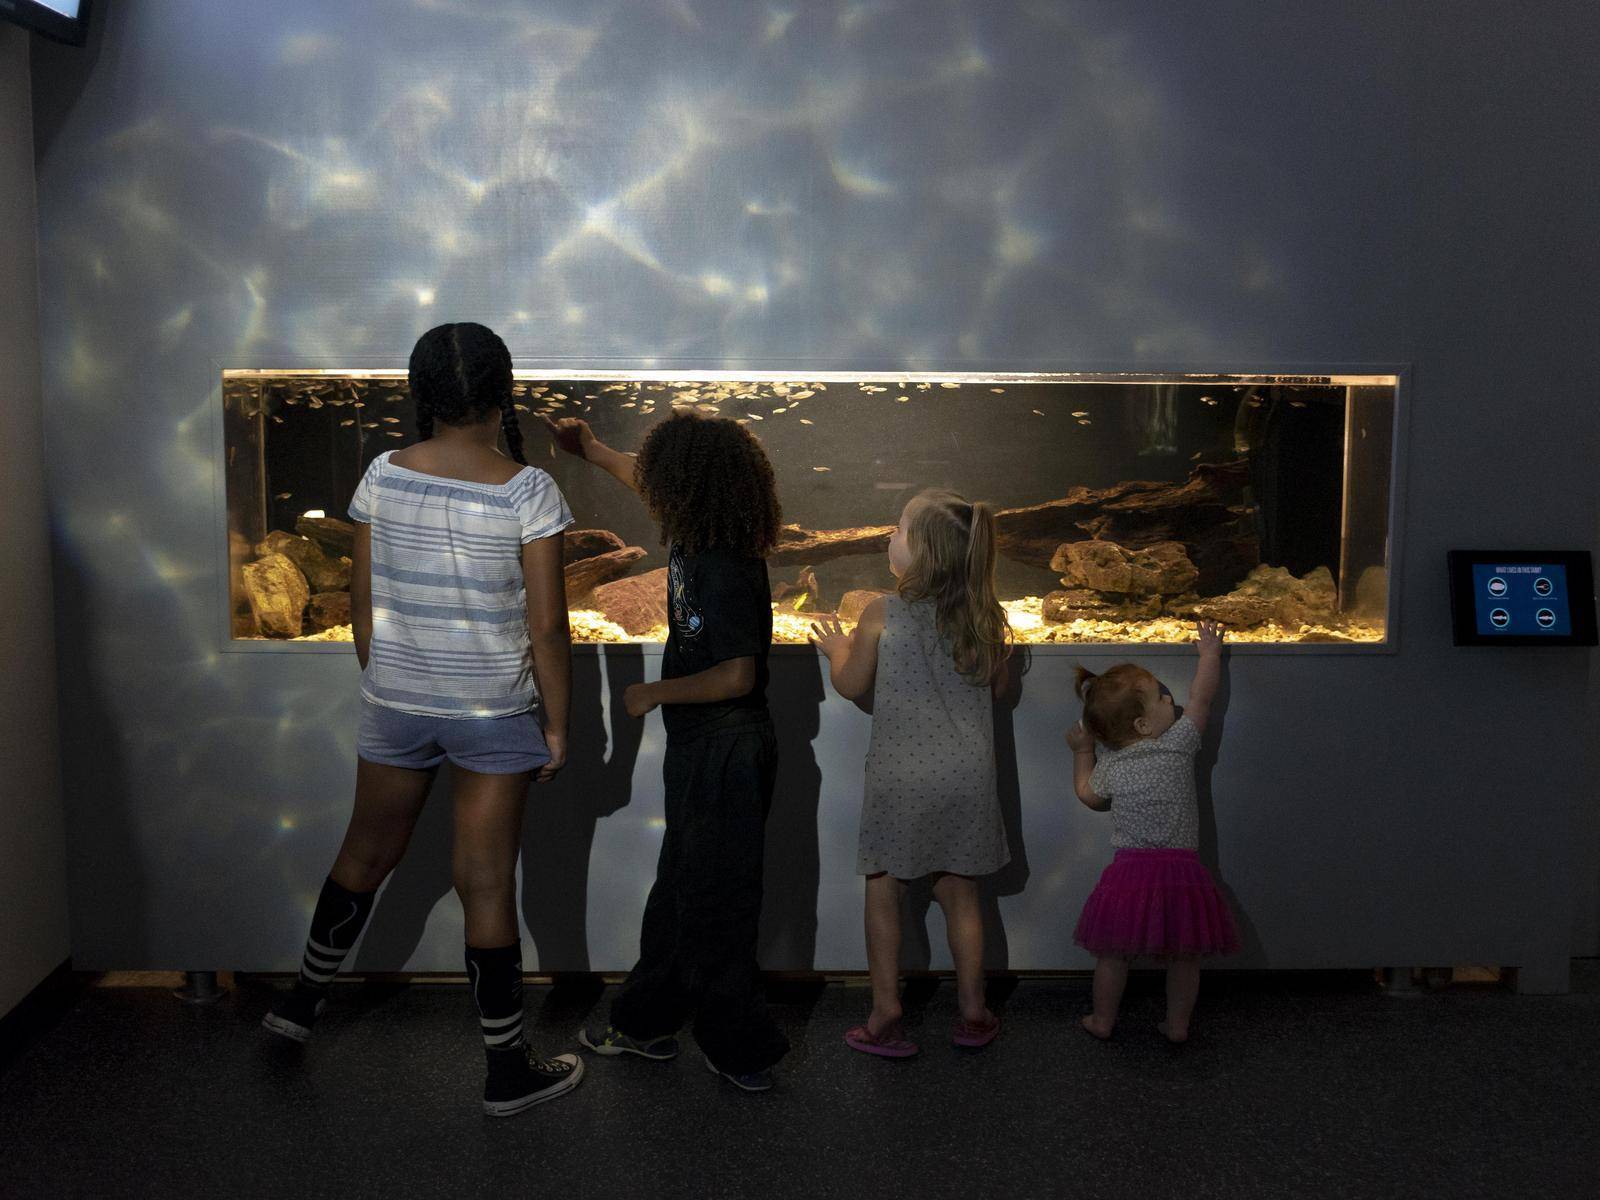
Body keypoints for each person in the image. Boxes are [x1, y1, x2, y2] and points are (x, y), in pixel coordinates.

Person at [261, 323, 584, 1117]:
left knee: (362, 856)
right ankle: (506, 1071)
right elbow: (548, 626)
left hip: (398, 700)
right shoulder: (527, 490)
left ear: (420, 392)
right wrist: (557, 726)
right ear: (504, 391)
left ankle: (297, 1009)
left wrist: (391, 678)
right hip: (492, 708)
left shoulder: (381, 474)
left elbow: (364, 611)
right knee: (485, 882)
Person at [546, 410, 791, 1091]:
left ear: (686, 487)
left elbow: (738, 675)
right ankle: (646, 1021)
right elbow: (641, 476)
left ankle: (738, 1046)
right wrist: (589, 448)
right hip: (706, 748)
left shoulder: (723, 564)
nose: (649, 488)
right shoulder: (698, 524)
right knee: (684, 889)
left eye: (661, 478)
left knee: (717, 901)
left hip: (728, 748)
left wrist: (654, 693)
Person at [810, 489, 1012, 1057]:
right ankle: (973, 1010)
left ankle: (885, 1011)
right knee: (961, 894)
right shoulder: (984, 617)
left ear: (922, 551)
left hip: (901, 777)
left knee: (884, 891)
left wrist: (835, 651)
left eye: (898, 530)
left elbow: (853, 686)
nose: (887, 538)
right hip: (967, 779)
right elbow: (999, 689)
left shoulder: (881, 611)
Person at [1067, 621, 1240, 1044]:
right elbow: (1203, 698)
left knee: (1113, 954)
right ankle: (1177, 1026)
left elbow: (1088, 795)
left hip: (1130, 872)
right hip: (1182, 871)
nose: (1171, 698)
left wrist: (1083, 752)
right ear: (1144, 726)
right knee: (1185, 957)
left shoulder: (1112, 763)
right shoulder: (1179, 742)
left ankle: (1103, 1020)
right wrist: (1210, 656)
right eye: (1162, 697)